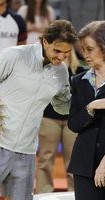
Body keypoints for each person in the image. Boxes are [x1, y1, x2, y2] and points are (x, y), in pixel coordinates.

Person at [0, 19, 78, 200]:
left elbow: (62, 107)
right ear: (45, 41)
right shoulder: (14, 55)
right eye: (57, 51)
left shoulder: (61, 72)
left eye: (66, 53)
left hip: (27, 151)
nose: (61, 57)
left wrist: (86, 101)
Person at [36, 49, 86, 194]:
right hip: (49, 118)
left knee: (74, 158)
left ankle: (75, 193)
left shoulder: (81, 71)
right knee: (46, 157)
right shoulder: (47, 69)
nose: (64, 54)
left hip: (74, 119)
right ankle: (43, 193)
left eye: (67, 50)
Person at [67, 21, 105, 200]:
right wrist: (91, 107)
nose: (85, 54)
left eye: (90, 49)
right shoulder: (78, 80)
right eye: (82, 49)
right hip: (84, 166)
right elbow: (73, 124)